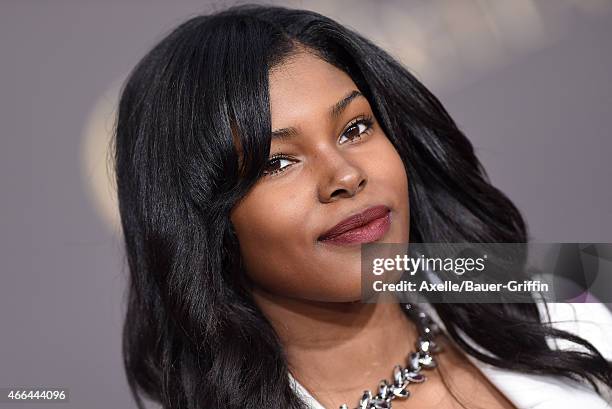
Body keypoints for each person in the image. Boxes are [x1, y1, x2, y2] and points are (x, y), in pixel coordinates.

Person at [112, 4, 612, 409]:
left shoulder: (567, 286)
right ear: (207, 226)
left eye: (354, 128)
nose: (345, 176)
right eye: (277, 163)